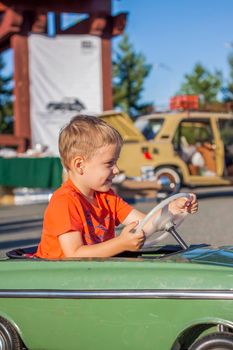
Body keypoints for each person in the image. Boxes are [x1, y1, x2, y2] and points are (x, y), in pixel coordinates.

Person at [36, 115, 198, 259]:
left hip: (91, 276)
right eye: (109, 163)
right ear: (80, 165)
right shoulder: (64, 201)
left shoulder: (107, 197)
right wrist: (120, 244)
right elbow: (74, 254)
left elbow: (146, 224)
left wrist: (173, 209)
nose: (117, 170)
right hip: (58, 281)